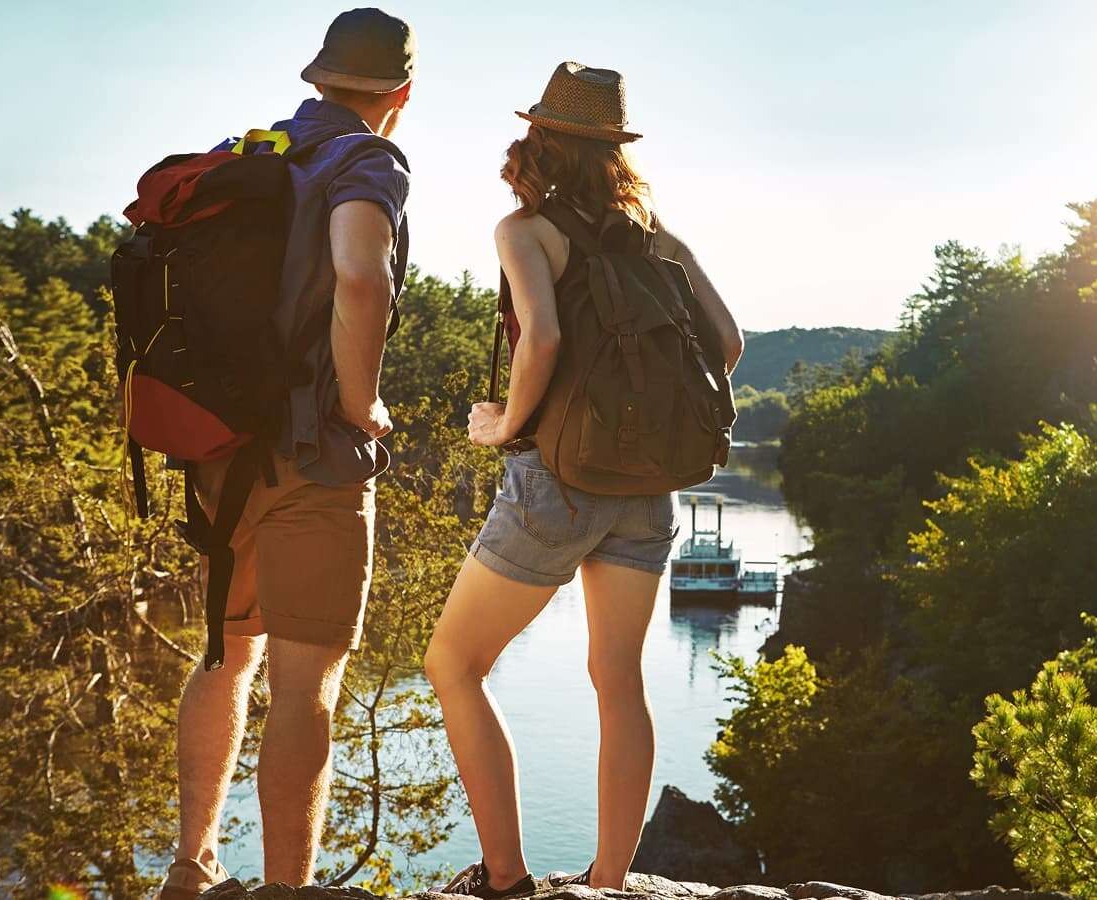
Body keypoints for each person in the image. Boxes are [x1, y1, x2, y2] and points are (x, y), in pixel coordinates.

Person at [424, 62, 744, 898]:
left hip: (557, 484)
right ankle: (608, 883)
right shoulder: (651, 230)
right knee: (618, 679)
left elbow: (543, 341)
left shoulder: (524, 230)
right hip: (648, 486)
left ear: (539, 141)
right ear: (613, 150)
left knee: (453, 663)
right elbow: (731, 342)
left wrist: (503, 423)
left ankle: (505, 879)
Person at [158, 8, 414, 897]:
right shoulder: (366, 159)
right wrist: (362, 401)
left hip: (221, 448)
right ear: (400, 95)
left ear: (317, 80)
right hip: (316, 456)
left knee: (224, 657)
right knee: (306, 684)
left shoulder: (252, 153)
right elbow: (360, 273)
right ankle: (286, 887)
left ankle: (190, 869)